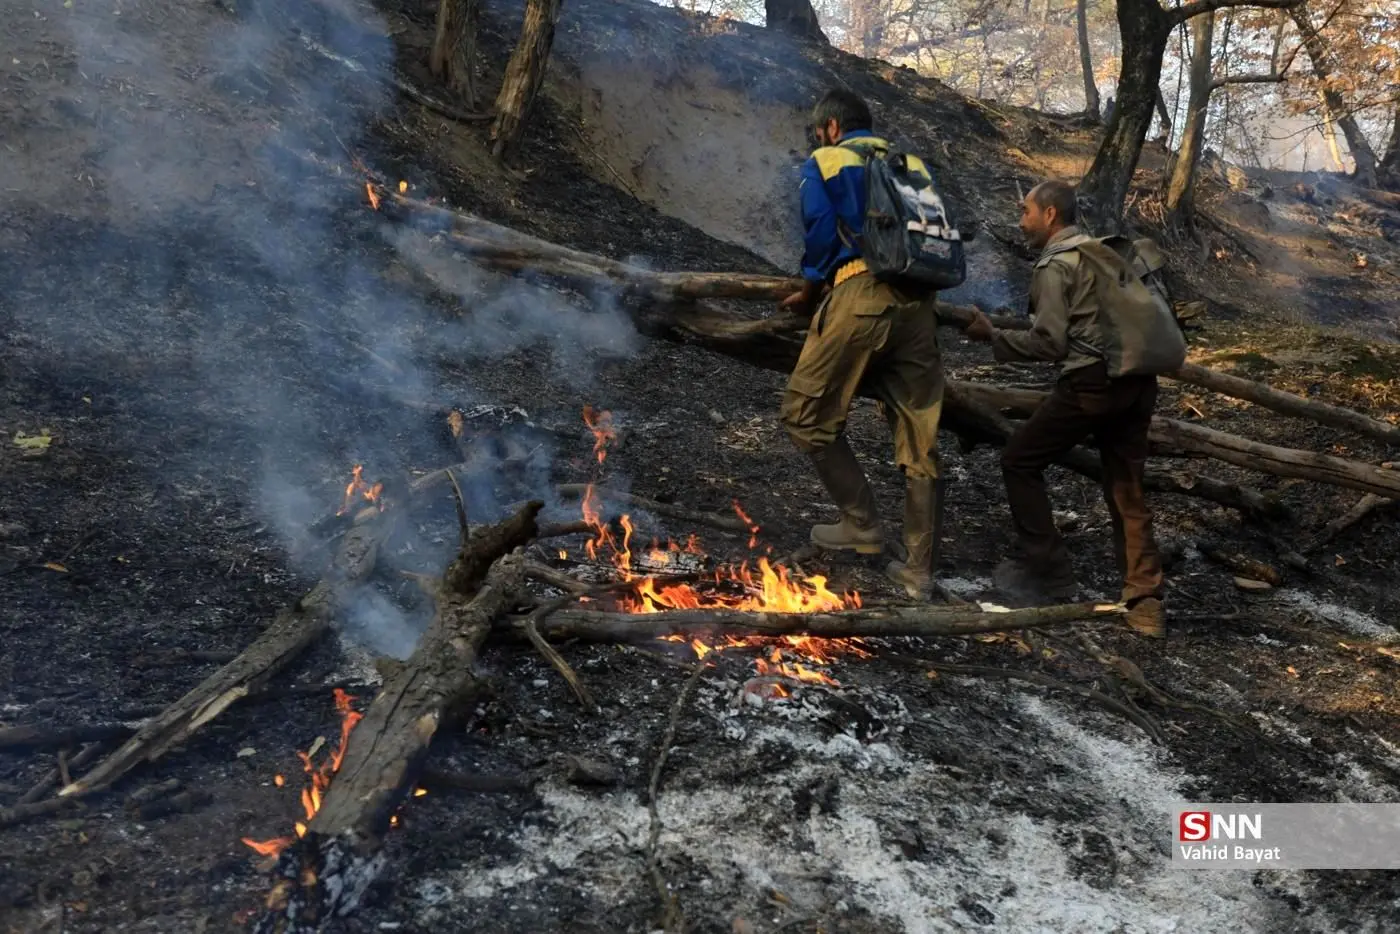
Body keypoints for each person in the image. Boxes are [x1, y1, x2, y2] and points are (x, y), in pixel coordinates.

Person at [963, 180, 1166, 637]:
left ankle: (1049, 571)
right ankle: (1145, 600)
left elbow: (1050, 343)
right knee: (1125, 486)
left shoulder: (1055, 264)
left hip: (1091, 384)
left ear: (1050, 214)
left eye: (1026, 211)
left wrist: (993, 338)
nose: (1021, 221)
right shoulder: (1102, 253)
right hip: (1138, 380)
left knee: (1019, 459)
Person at [778, 88, 950, 600]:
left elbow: (820, 233)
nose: (817, 138)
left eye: (818, 131)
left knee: (804, 413)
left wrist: (810, 290)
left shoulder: (827, 158)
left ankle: (861, 524)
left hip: (861, 293)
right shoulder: (912, 163)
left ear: (831, 127)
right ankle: (918, 571)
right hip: (920, 307)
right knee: (921, 443)